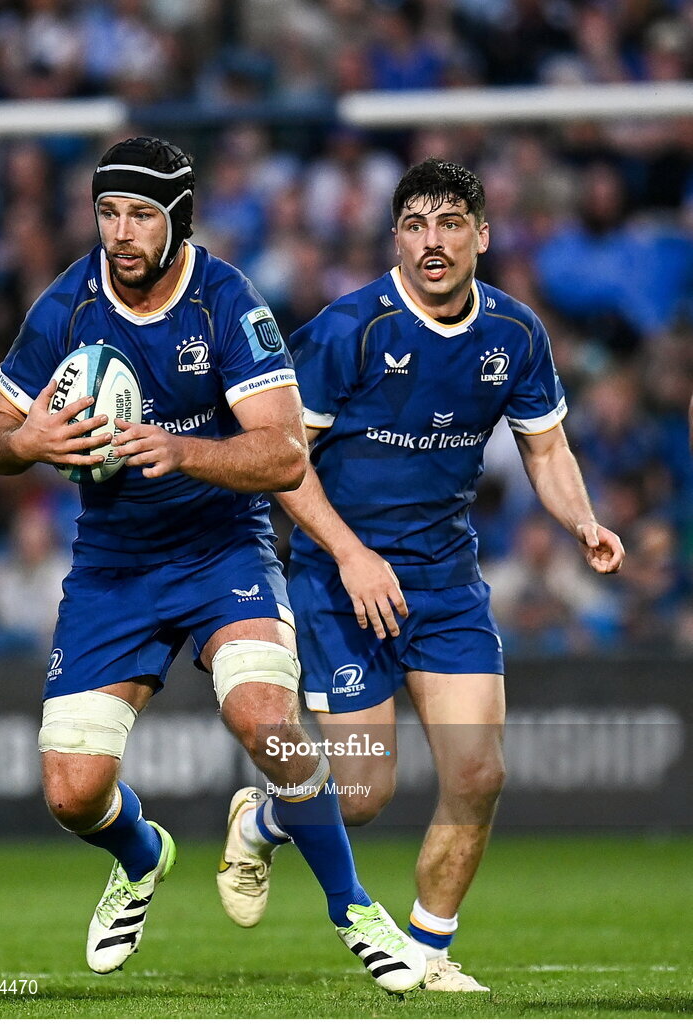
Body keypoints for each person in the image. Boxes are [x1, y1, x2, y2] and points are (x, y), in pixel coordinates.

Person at [0, 136, 426, 993]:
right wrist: (24, 440)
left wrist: (183, 454)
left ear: (178, 220)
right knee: (73, 794)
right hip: (112, 565)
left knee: (264, 719)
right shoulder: (66, 305)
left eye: (140, 214)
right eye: (108, 212)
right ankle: (143, 855)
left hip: (222, 549)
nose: (120, 232)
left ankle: (353, 909)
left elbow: (285, 454)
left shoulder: (226, 304)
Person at [216, 157, 624, 992]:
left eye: (448, 225)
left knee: (478, 774)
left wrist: (580, 519)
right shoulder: (348, 328)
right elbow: (284, 463)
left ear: (481, 234)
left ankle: (428, 952)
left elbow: (544, 447)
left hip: (444, 585)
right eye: (414, 226)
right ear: (394, 237)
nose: (431, 243)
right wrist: (351, 554)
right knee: (361, 794)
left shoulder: (514, 334)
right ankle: (262, 818)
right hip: (341, 582)